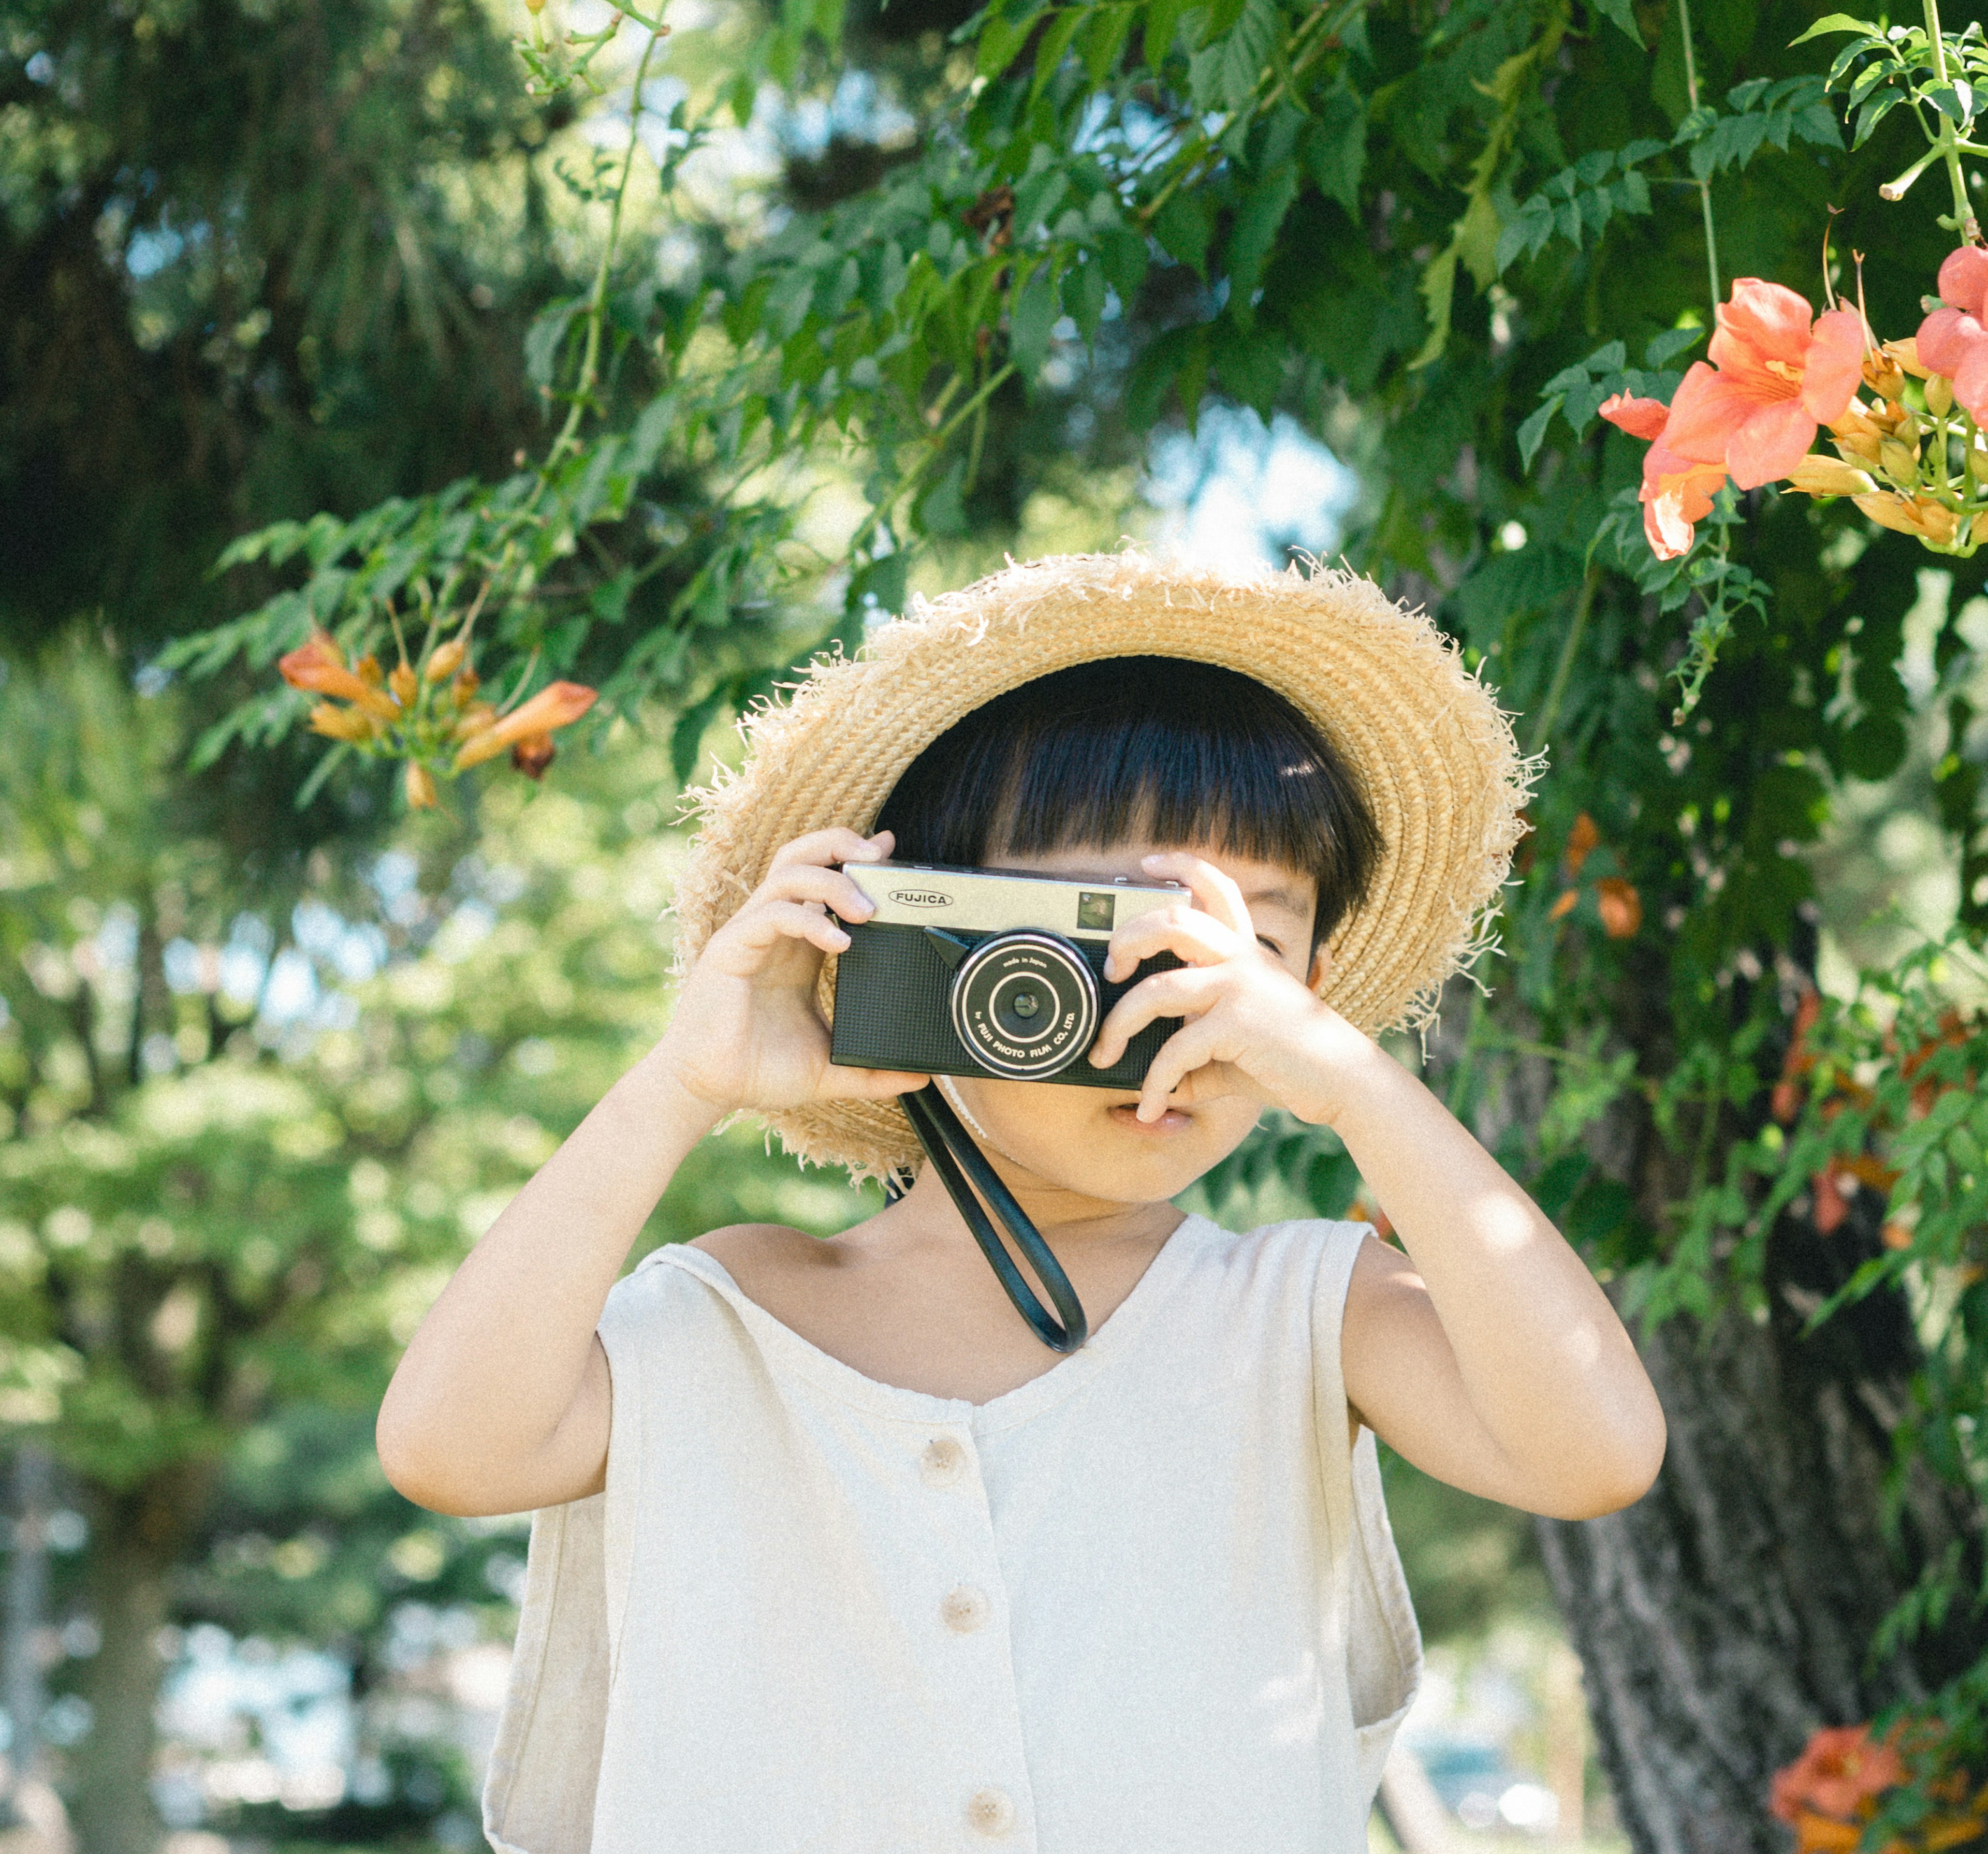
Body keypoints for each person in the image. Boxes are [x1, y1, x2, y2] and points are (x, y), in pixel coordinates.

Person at [377, 552, 1665, 1854]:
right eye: (1096, 936)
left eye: (1241, 958)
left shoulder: (1307, 1313)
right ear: (922, 953)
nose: (1166, 1009)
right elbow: (448, 1448)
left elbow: (1595, 1453)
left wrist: (1350, 1080)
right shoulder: (735, 1318)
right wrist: (680, 1082)